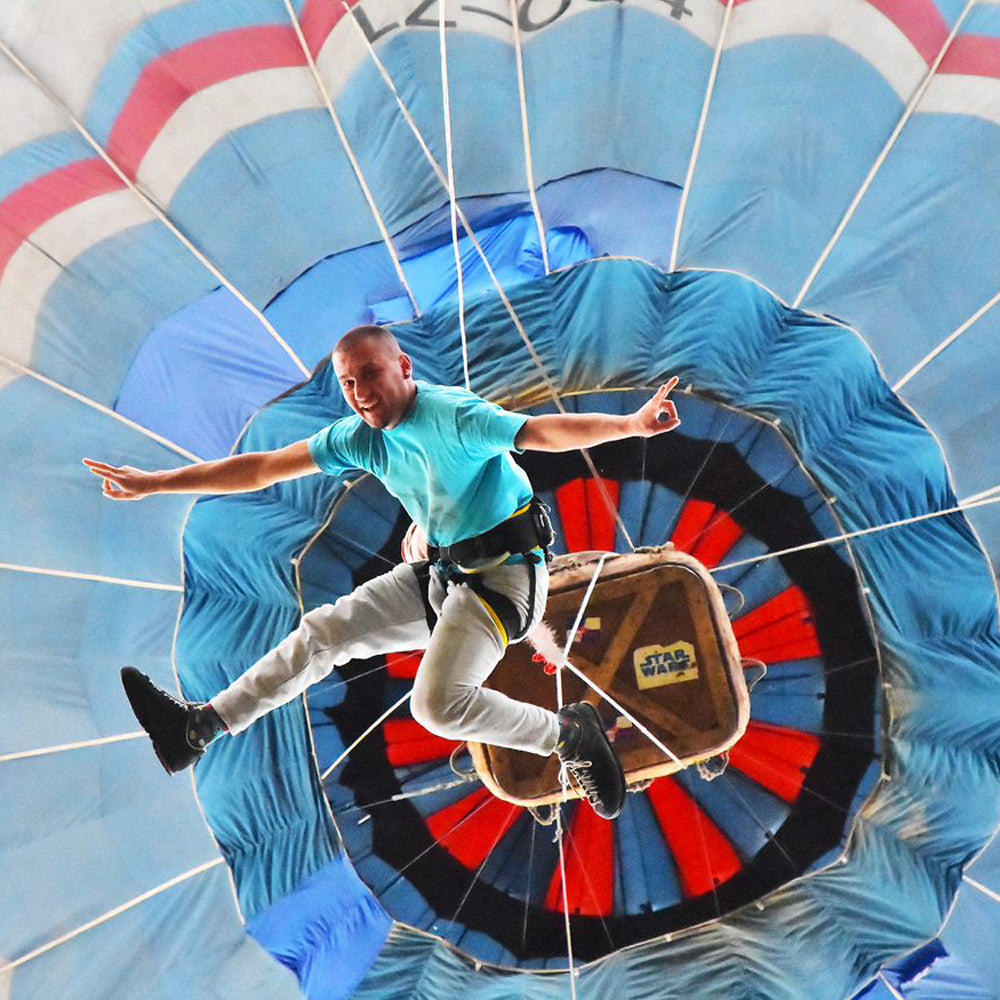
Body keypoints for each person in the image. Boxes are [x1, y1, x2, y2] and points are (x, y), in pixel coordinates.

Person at [83, 325, 680, 820]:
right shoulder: (359, 438)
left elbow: (541, 432)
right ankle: (199, 730)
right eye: (347, 383)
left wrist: (631, 424)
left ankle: (569, 736)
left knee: (436, 707)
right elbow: (263, 468)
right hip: (443, 577)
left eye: (370, 374)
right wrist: (157, 483)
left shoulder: (452, 415)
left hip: (506, 578)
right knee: (323, 634)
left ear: (404, 367)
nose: (360, 392)